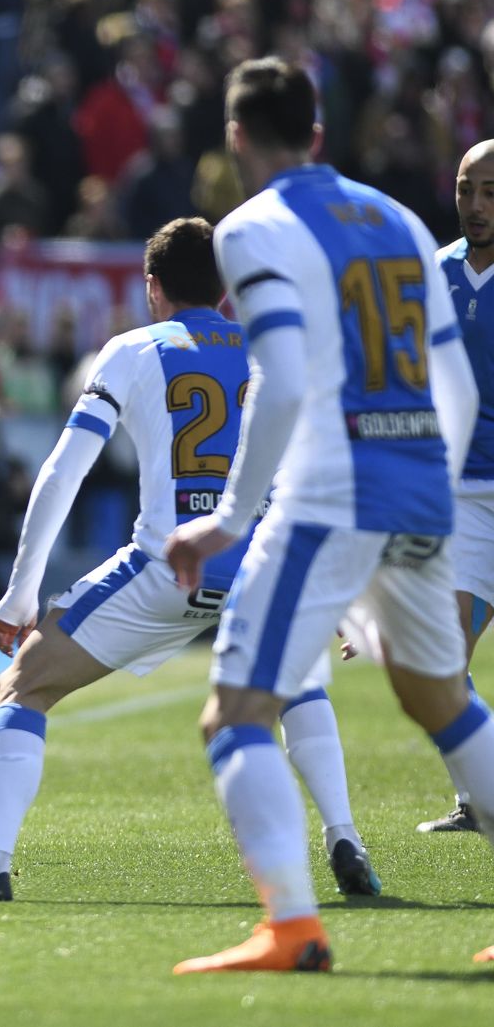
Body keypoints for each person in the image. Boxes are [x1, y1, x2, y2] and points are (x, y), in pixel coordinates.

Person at [0, 217, 379, 905]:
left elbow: (63, 471)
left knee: (24, 685)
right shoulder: (275, 352)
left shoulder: (130, 350)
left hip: (168, 567)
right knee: (299, 682)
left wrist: (20, 591)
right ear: (223, 288)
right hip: (262, 565)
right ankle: (344, 835)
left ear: (152, 287)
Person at [165, 57, 491, 973]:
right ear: (317, 131)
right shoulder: (398, 220)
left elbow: (282, 380)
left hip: (332, 494)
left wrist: (228, 519)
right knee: (441, 698)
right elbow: (454, 381)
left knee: (235, 711)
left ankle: (293, 927)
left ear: (235, 139)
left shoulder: (253, 227)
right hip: (427, 488)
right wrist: (428, 481)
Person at [417, 139, 494, 834]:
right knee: (443, 658)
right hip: (465, 497)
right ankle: (480, 797)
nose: (476, 205)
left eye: (490, 193)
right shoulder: (433, 275)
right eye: (468, 189)